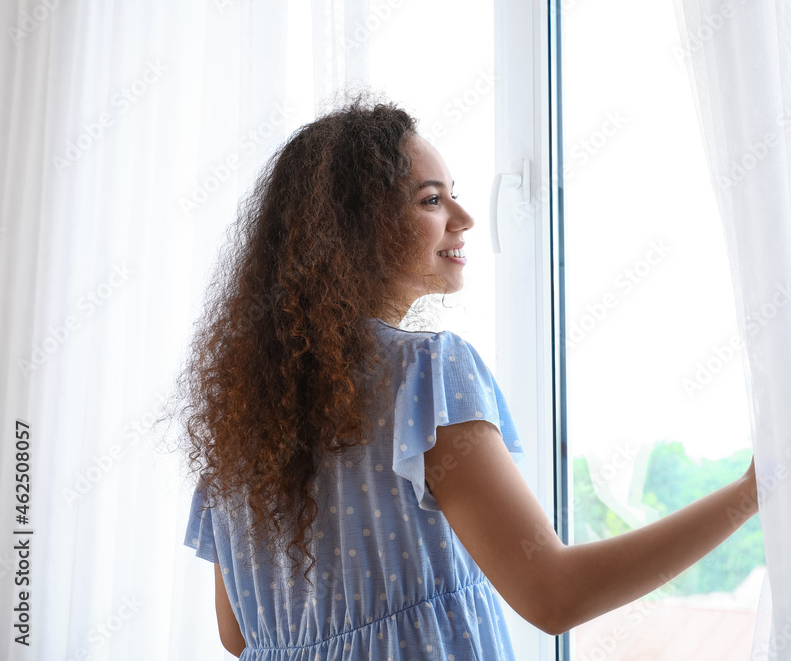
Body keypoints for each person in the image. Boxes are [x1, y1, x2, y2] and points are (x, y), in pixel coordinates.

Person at [175, 92, 759, 659]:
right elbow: (555, 596)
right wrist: (748, 495)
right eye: (431, 201)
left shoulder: (244, 415)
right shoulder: (425, 373)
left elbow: (239, 635)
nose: (466, 217)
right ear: (356, 227)